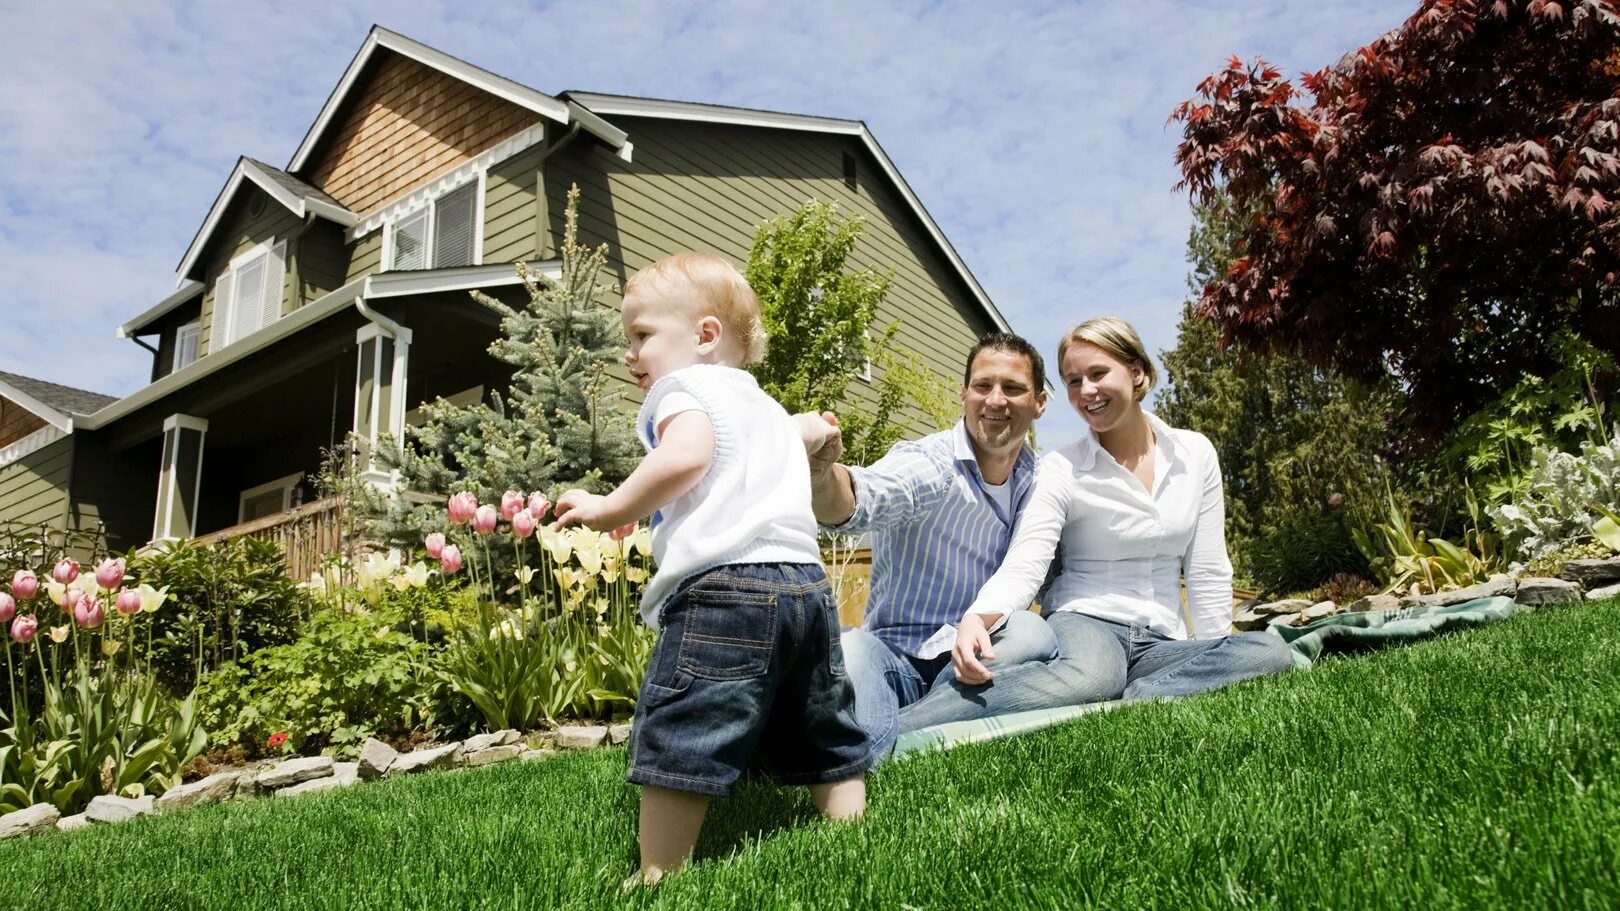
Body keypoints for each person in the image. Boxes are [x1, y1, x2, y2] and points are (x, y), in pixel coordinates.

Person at [554, 252, 873, 886]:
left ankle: (658, 874)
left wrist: (607, 506)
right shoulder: (762, 404)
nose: (631, 353)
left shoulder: (682, 389)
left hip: (726, 588)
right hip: (806, 587)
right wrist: (814, 428)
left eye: (642, 335)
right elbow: (796, 434)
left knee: (688, 719)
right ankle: (851, 837)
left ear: (704, 337)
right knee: (820, 719)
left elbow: (687, 456)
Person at [896, 316, 1295, 733]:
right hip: (1086, 622)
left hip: (1161, 638)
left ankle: (1124, 702)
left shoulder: (1194, 454)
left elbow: (1208, 567)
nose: (1086, 391)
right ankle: (895, 730)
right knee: (1096, 676)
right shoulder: (1062, 468)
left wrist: (1215, 651)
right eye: (1073, 381)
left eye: (1098, 373)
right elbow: (1027, 560)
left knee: (1268, 652)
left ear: (1136, 372)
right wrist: (979, 617)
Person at [802, 331, 1062, 759]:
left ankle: (893, 731)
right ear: (964, 394)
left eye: (1012, 388)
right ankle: (900, 733)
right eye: (983, 386)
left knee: (1034, 633)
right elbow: (859, 499)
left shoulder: (1040, 481)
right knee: (850, 649)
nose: (995, 400)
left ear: (1039, 402)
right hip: (893, 656)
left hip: (975, 657)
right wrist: (822, 476)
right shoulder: (931, 463)